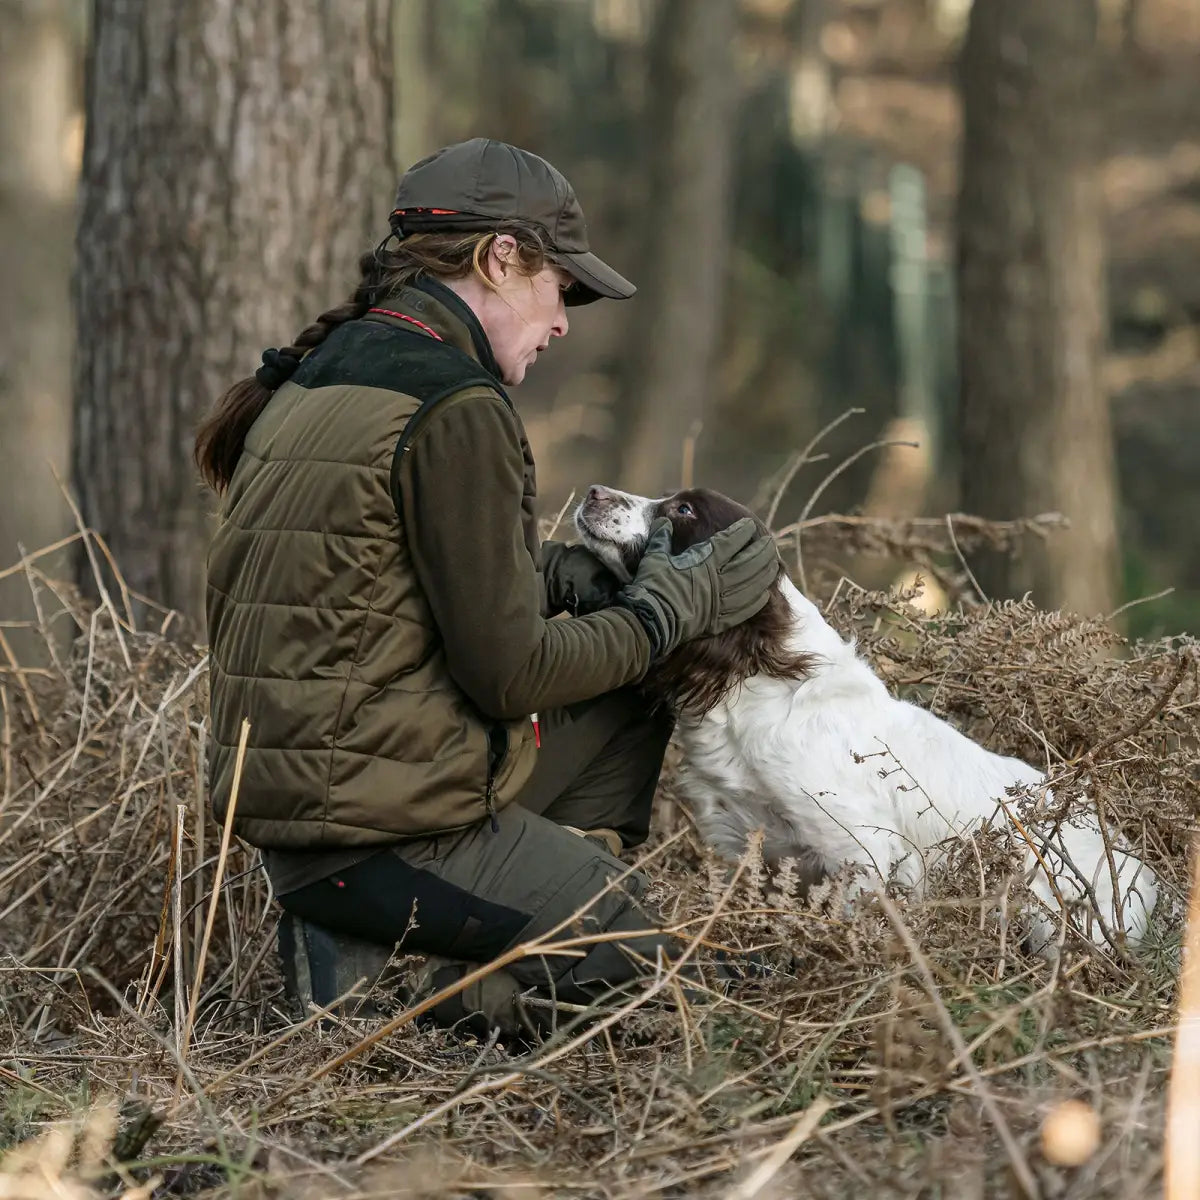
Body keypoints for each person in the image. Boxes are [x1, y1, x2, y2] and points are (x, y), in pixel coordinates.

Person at [194, 138, 780, 1038]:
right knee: (672, 969)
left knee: (629, 680)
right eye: (562, 288)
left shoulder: (325, 374)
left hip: (316, 818)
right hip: (383, 834)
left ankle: (508, 905)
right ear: (501, 258)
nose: (564, 321)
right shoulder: (455, 405)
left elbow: (361, 579)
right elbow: (510, 676)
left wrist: (554, 577)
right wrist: (670, 607)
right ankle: (434, 993)